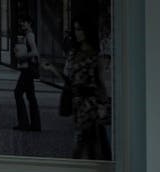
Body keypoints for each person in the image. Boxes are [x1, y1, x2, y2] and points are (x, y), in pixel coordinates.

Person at [45, 16, 109, 159]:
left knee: (83, 143)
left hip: (89, 105)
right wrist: (53, 70)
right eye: (75, 29)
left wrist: (103, 105)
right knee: (86, 143)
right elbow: (69, 81)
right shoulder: (74, 54)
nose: (77, 33)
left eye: (80, 29)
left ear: (87, 31)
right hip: (78, 103)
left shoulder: (94, 56)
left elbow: (100, 83)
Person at [12, 18, 41, 131]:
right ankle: (35, 124)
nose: (22, 23)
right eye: (21, 22)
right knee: (30, 96)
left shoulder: (29, 35)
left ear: (29, 23)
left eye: (24, 21)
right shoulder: (27, 35)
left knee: (18, 93)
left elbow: (35, 52)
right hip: (28, 69)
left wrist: (21, 56)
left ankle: (24, 123)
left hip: (27, 69)